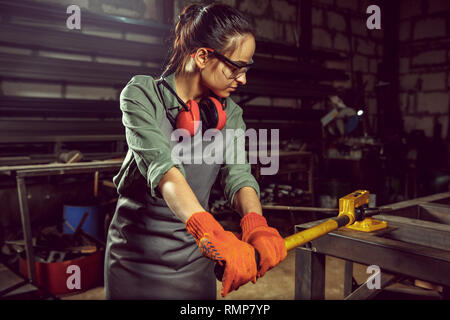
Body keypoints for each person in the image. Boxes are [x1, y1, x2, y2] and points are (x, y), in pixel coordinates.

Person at [104, 3, 286, 300]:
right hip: (134, 260)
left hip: (196, 258)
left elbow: (239, 176)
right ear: (203, 56)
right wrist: (211, 232)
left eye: (246, 69)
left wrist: (255, 223)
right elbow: (166, 172)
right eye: (236, 67)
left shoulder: (230, 115)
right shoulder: (141, 96)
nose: (243, 79)